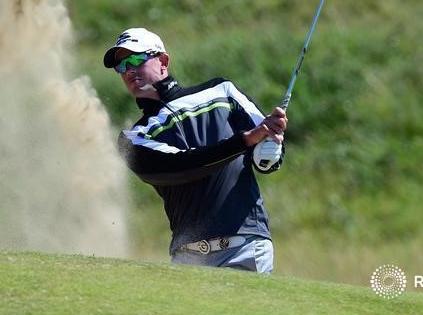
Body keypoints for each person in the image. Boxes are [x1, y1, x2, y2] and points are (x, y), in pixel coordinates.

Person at [103, 27, 287, 272]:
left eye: (136, 59)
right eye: (122, 66)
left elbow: (266, 151)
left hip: (244, 246)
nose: (129, 70)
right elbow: (181, 166)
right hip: (189, 258)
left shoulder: (223, 92)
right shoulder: (134, 138)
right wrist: (243, 142)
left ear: (163, 61)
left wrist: (271, 148)